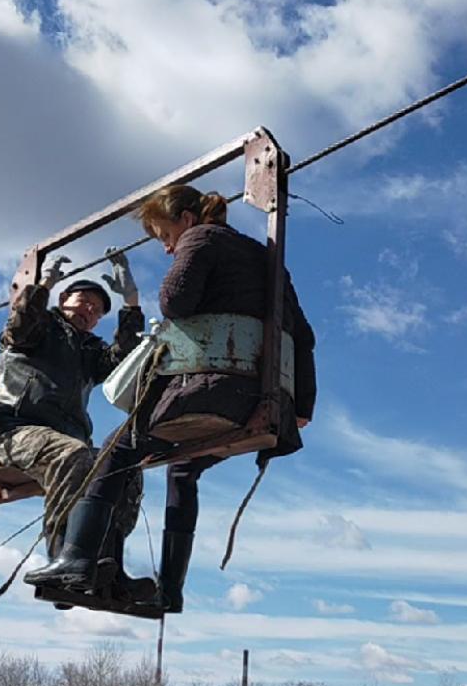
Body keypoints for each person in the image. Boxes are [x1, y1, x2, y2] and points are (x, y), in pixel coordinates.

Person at [24, 185, 317, 613]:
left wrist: (179, 262)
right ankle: (170, 591)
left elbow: (176, 302)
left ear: (185, 219)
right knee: (182, 470)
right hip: (262, 402)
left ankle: (77, 558)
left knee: (114, 452)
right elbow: (304, 336)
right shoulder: (271, 263)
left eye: (164, 236)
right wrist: (301, 405)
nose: (165, 248)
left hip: (209, 391)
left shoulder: (200, 238)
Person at [0, 252, 151, 598]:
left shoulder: (89, 350)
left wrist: (131, 302)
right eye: (84, 302)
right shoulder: (39, 328)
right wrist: (42, 286)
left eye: (98, 311)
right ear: (63, 301)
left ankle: (106, 568)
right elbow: (21, 325)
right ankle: (63, 560)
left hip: (66, 442)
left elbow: (122, 358)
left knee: (123, 466)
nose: (90, 311)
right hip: (14, 432)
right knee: (72, 454)